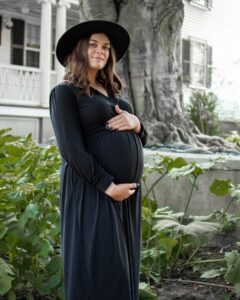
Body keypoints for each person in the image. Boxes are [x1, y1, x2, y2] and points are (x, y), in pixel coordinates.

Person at [49, 19, 148, 300]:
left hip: (125, 195)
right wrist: (108, 186)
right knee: (101, 266)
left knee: (124, 266)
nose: (100, 50)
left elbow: (142, 140)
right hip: (93, 189)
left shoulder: (117, 97)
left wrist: (137, 124)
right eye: (93, 44)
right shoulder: (65, 93)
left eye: (105, 47)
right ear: (80, 49)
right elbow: (71, 150)